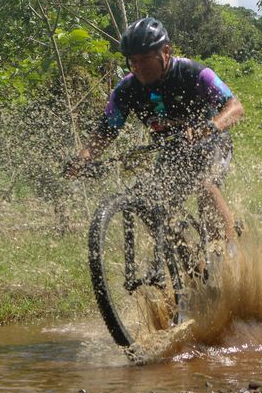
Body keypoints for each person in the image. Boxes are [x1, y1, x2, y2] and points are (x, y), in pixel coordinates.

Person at [67, 16, 244, 241]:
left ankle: (230, 253)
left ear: (165, 52)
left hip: (212, 142)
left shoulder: (194, 73)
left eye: (145, 59)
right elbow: (105, 131)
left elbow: (235, 107)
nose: (139, 68)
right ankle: (188, 259)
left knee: (205, 186)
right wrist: (83, 158)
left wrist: (209, 127)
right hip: (172, 150)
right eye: (133, 61)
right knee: (150, 200)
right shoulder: (125, 90)